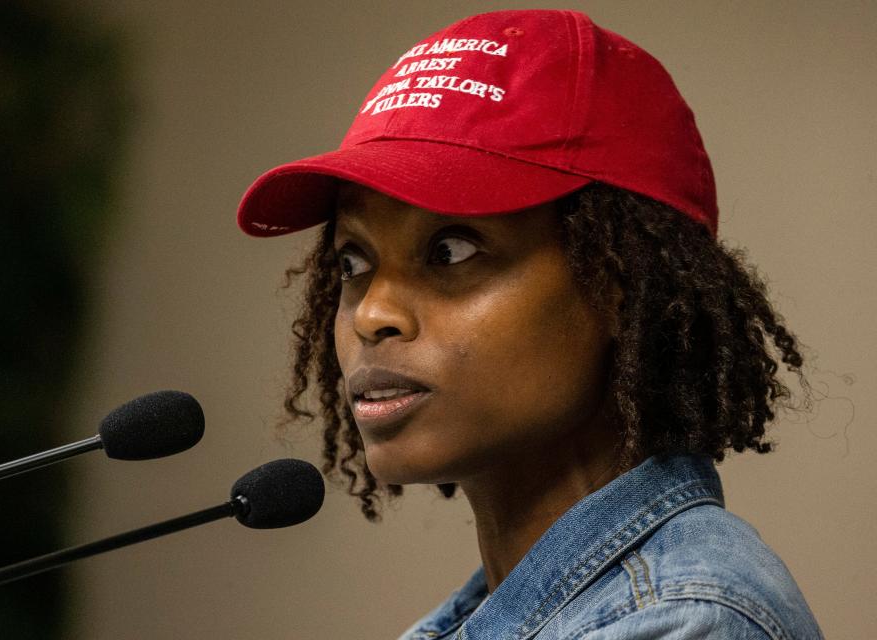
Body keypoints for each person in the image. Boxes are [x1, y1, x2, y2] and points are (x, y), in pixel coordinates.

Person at [235, 9, 822, 639]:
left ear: (618, 285)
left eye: (450, 251)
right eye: (353, 262)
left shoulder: (679, 622)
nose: (373, 314)